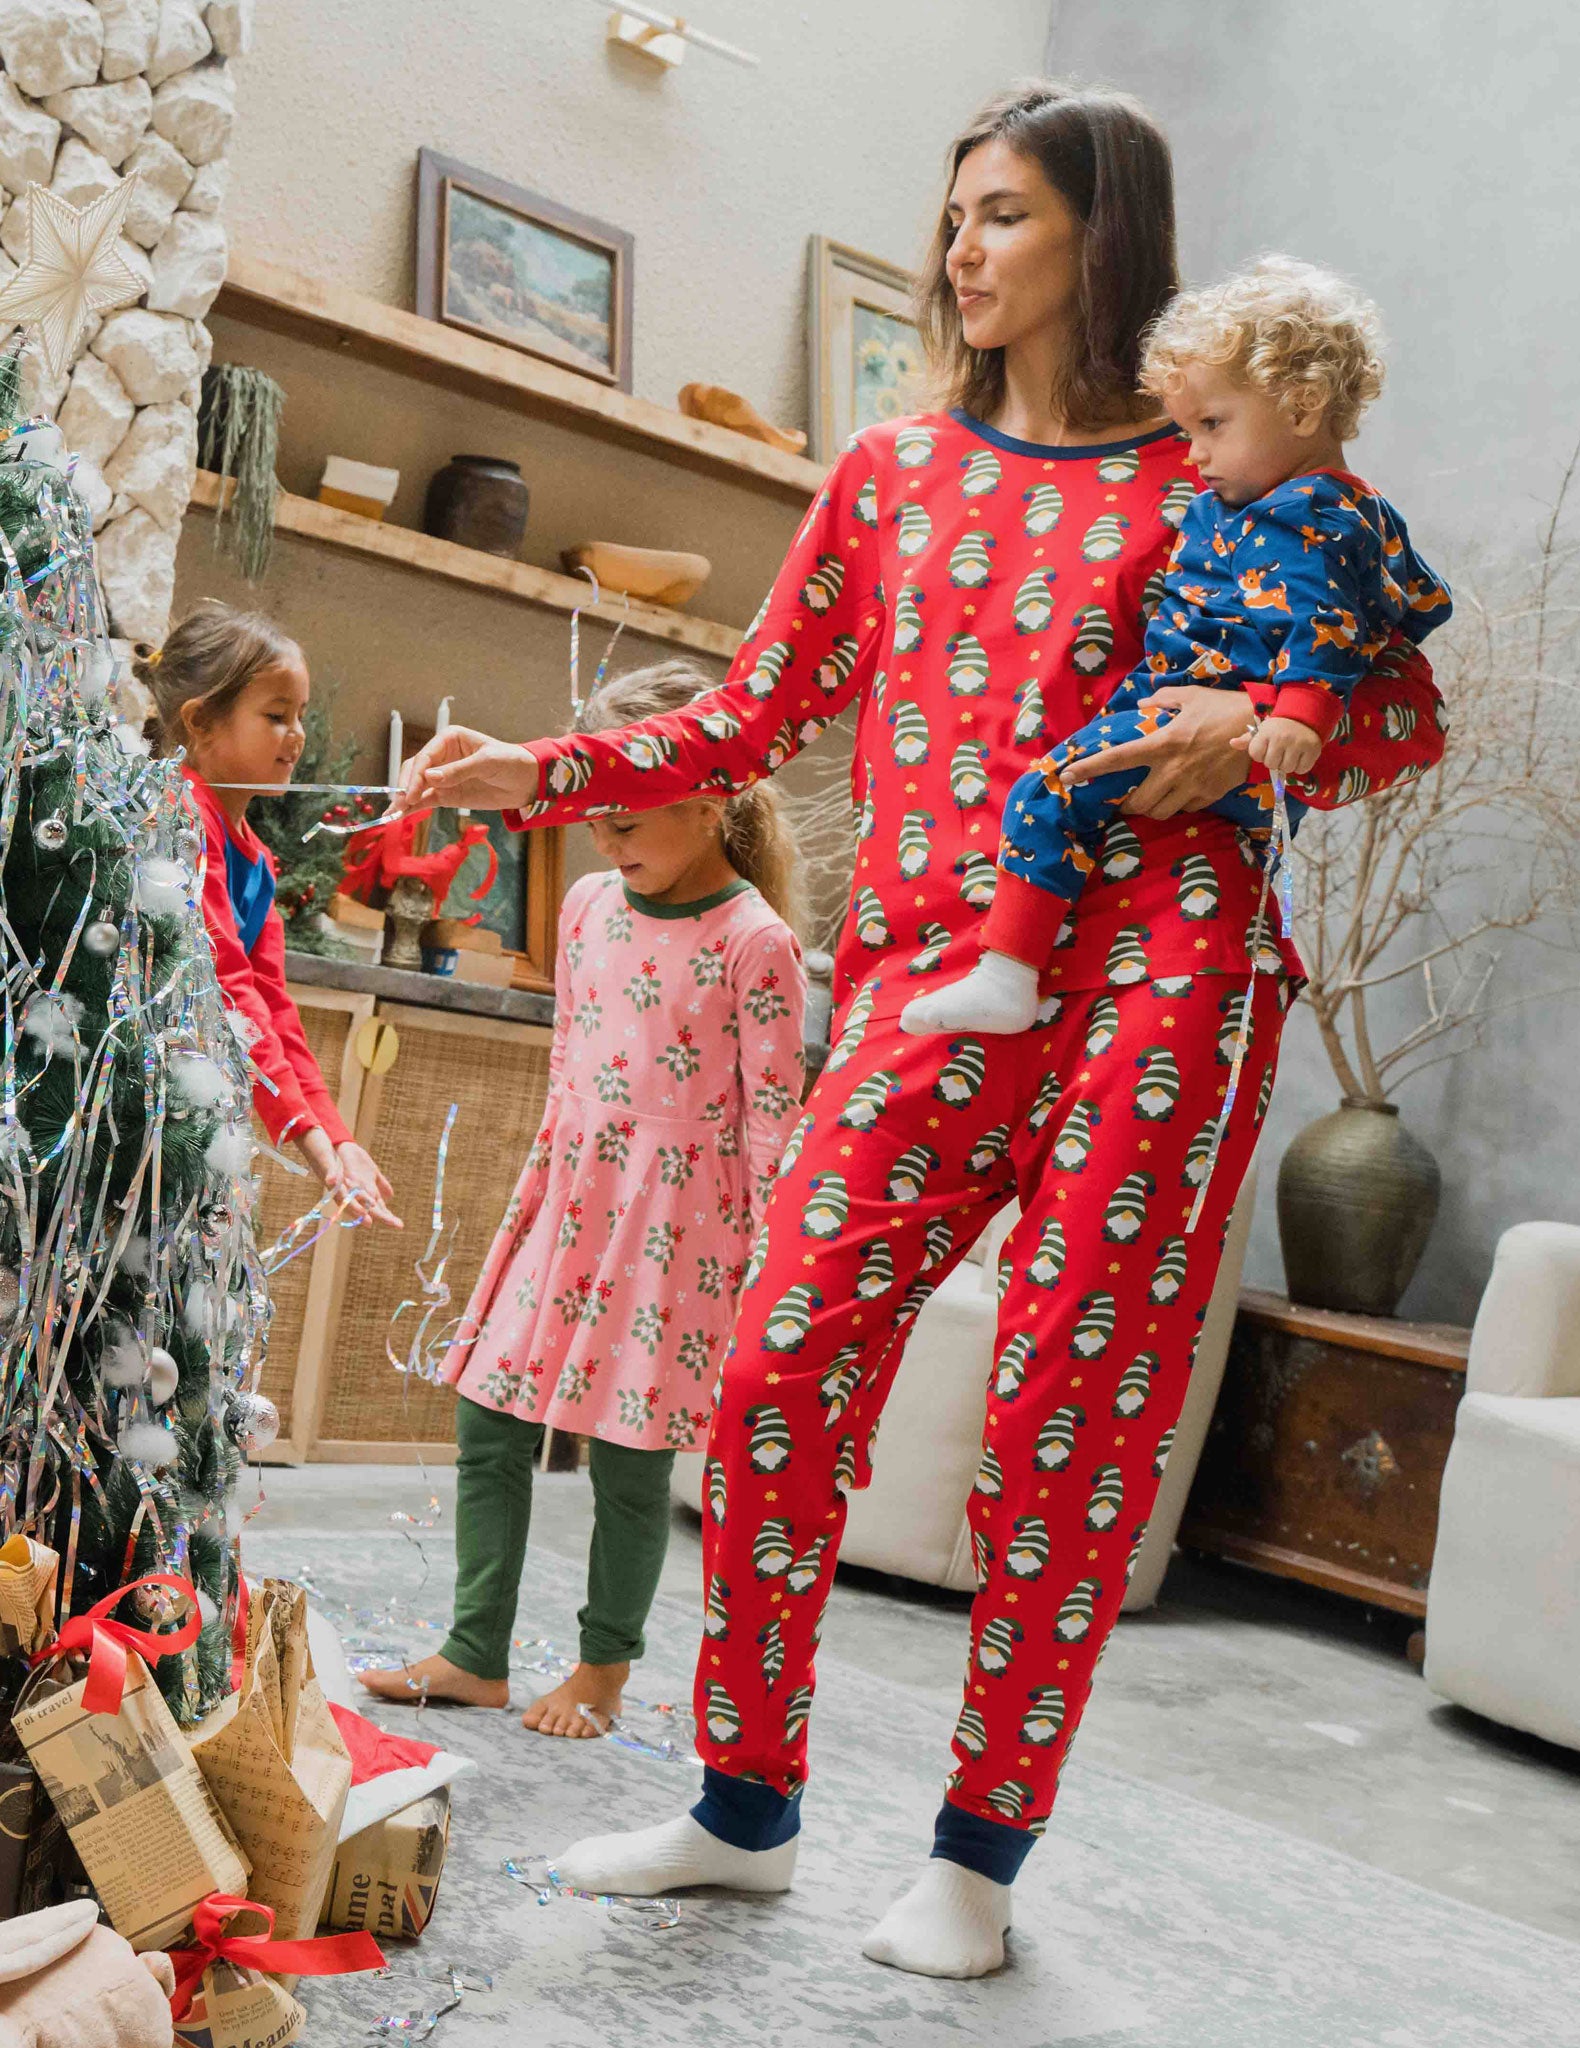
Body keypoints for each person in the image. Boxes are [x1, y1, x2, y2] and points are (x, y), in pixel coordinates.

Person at [395, 82, 1446, 1979]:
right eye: (952, 214)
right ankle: (744, 1806)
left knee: (1067, 1418)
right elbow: (750, 714)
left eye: (1005, 216)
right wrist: (538, 772)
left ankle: (974, 1857)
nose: (962, 249)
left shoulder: (1224, 461)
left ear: (1103, 233)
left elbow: (1391, 715)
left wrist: (1262, 733)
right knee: (776, 1371)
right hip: (928, 978)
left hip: (1167, 979)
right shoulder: (888, 475)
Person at [362, 661, 807, 1739]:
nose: (605, 841)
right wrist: (554, 1175)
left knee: (629, 1449)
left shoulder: (757, 940)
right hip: (571, 1193)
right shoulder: (585, 903)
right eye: (592, 819)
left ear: (712, 788)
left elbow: (773, 1122)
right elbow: (573, 1057)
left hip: (682, 1227)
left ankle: (602, 1673)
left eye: (625, 818)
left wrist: (761, 1274)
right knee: (488, 1408)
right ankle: (477, 1651)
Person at [902, 254, 1452, 1037]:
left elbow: (1328, 624)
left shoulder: (1308, 513)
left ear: (1301, 408)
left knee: (1047, 792)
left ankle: (1006, 973)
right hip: (1222, 783)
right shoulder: (1259, 506)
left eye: (1211, 426)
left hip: (1226, 766)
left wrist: (1290, 713)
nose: (1193, 453)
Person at [145, 603, 397, 1224]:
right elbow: (227, 991)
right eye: (276, 716)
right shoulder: (181, 821)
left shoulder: (254, 860)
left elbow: (272, 1009)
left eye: (300, 716)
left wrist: (335, 1140)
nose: (297, 734)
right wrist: (313, 1143)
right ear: (201, 722)